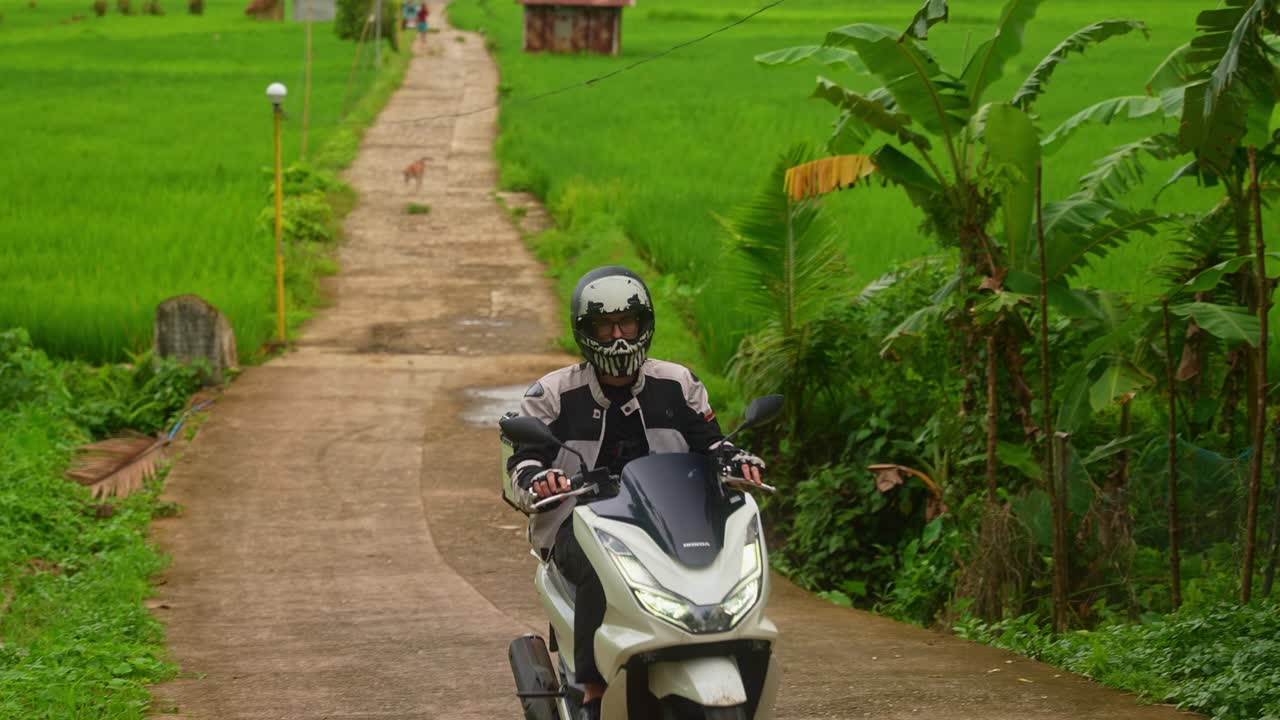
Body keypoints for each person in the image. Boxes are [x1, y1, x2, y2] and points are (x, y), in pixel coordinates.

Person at [506, 266, 766, 720]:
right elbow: (523, 461)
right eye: (605, 326)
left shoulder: (677, 384)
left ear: (644, 325)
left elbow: (712, 443)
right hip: (581, 522)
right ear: (585, 332)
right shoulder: (552, 394)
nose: (618, 336)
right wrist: (537, 479)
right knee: (596, 569)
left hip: (667, 518)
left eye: (627, 323)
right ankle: (591, 687)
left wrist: (736, 459)